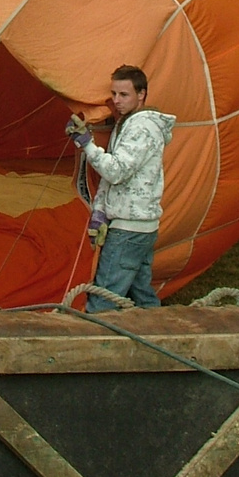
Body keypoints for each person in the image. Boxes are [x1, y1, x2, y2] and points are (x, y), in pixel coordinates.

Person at [68, 65, 175, 313]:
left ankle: (100, 345)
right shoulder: (128, 123)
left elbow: (116, 171)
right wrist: (100, 212)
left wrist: (88, 145)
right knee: (142, 297)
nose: (116, 101)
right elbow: (115, 179)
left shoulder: (141, 128)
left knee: (103, 300)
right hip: (141, 226)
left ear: (142, 94)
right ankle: (161, 339)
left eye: (124, 95)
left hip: (128, 230)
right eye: (114, 94)